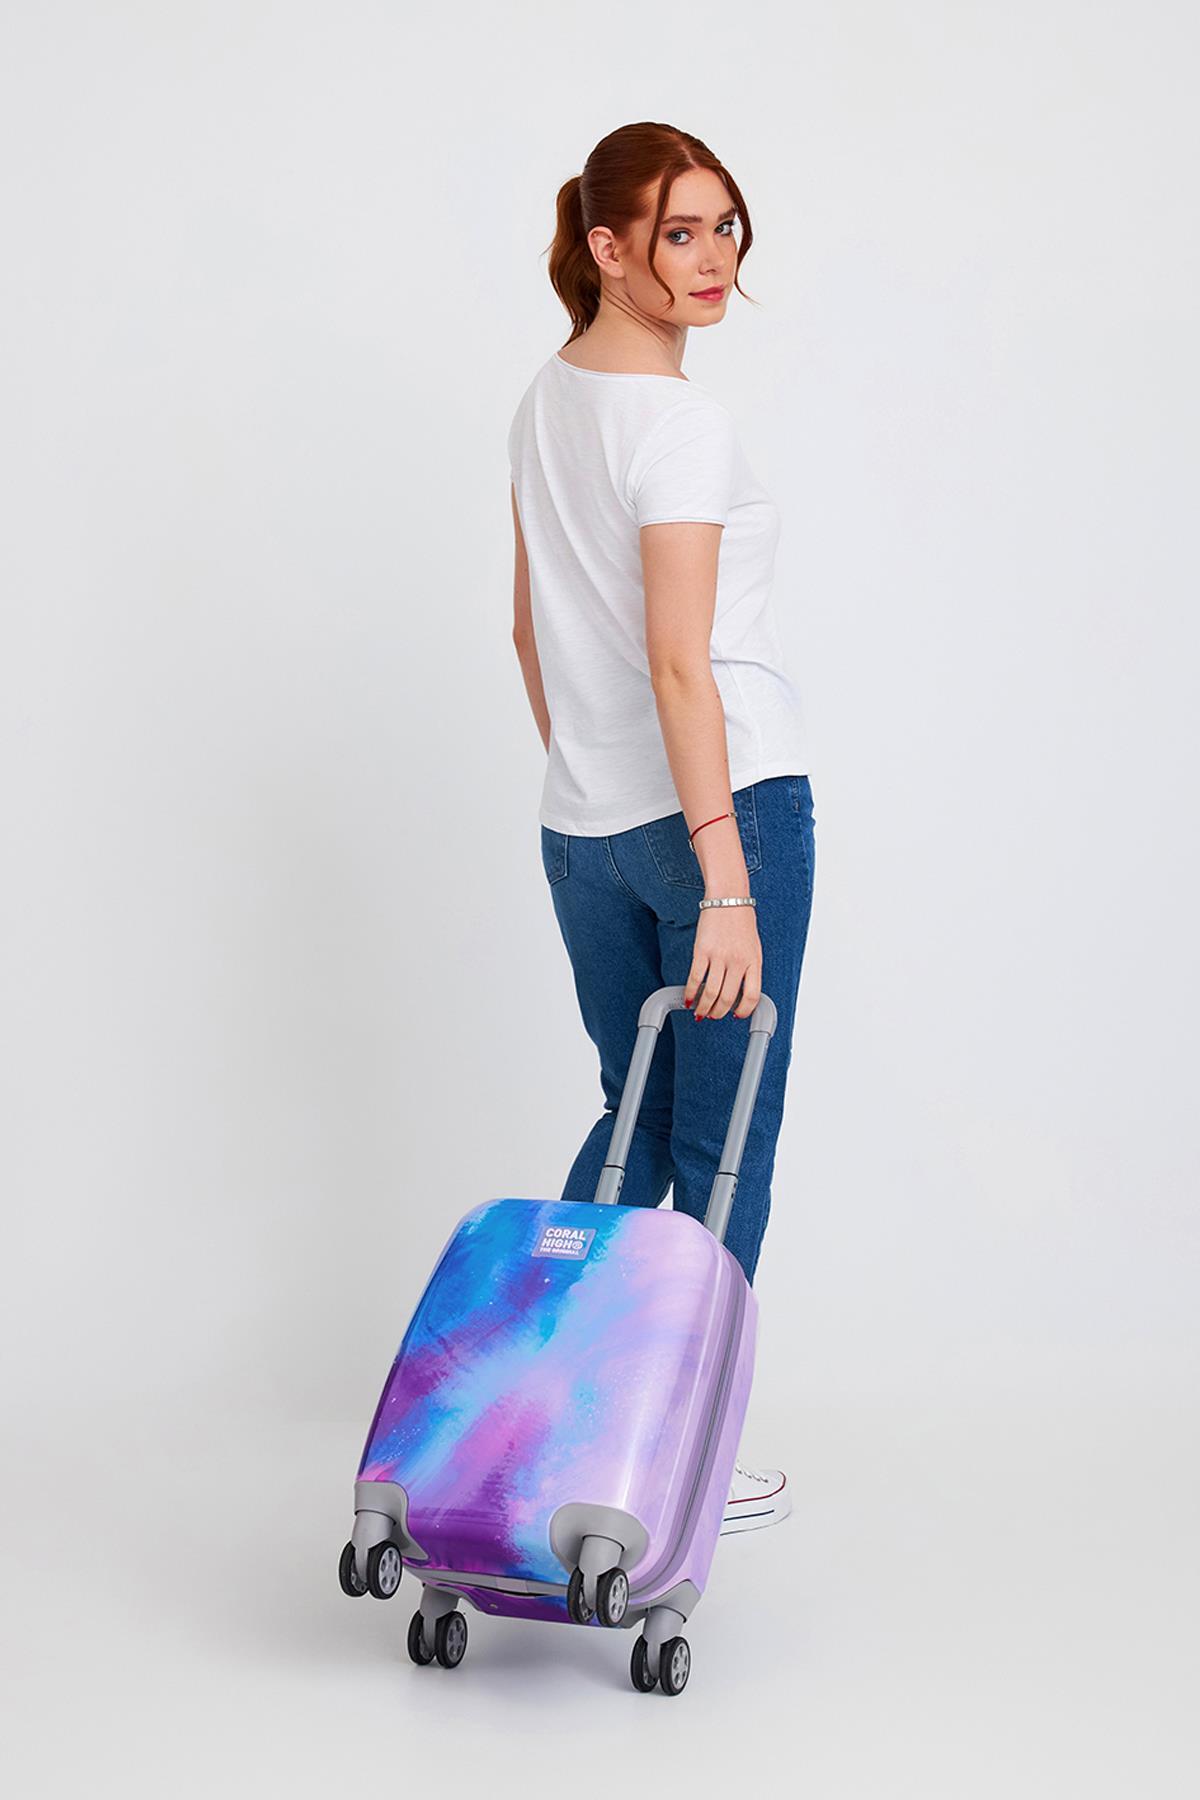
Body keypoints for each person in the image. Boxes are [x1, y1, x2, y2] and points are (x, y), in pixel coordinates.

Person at [506, 122, 816, 1535]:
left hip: (585, 828)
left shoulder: (547, 400)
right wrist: (725, 881)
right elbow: (681, 666)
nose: (713, 259)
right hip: (723, 815)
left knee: (629, 1125)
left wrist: (594, 782)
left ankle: (538, 1416)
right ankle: (673, 1453)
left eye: (725, 227)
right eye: (678, 232)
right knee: (721, 1140)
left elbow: (531, 633)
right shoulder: (679, 424)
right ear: (606, 247)